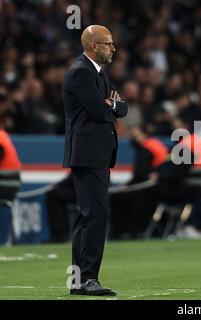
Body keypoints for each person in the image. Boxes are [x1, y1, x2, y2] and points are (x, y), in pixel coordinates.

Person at [62, 25, 127, 296]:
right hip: (88, 154)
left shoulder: (97, 73)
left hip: (96, 154)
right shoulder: (80, 73)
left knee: (88, 215)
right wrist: (111, 105)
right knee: (95, 214)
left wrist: (112, 105)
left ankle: (79, 279)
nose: (113, 48)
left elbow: (121, 107)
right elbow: (102, 111)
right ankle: (88, 278)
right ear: (93, 46)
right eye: (108, 44)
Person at [109, 127, 169, 239]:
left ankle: (122, 232)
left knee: (117, 198)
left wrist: (127, 186)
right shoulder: (156, 144)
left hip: (148, 187)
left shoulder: (146, 149)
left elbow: (140, 174)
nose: (134, 139)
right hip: (160, 184)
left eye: (136, 136)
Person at [0, 126, 21, 245]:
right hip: (10, 181)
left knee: (3, 204)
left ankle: (2, 240)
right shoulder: (2, 134)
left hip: (5, 182)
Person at [45, 173, 76, 243]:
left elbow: (76, 176)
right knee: (53, 194)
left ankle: (59, 235)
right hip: (89, 187)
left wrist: (60, 184)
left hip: (85, 190)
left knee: (52, 195)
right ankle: (60, 234)